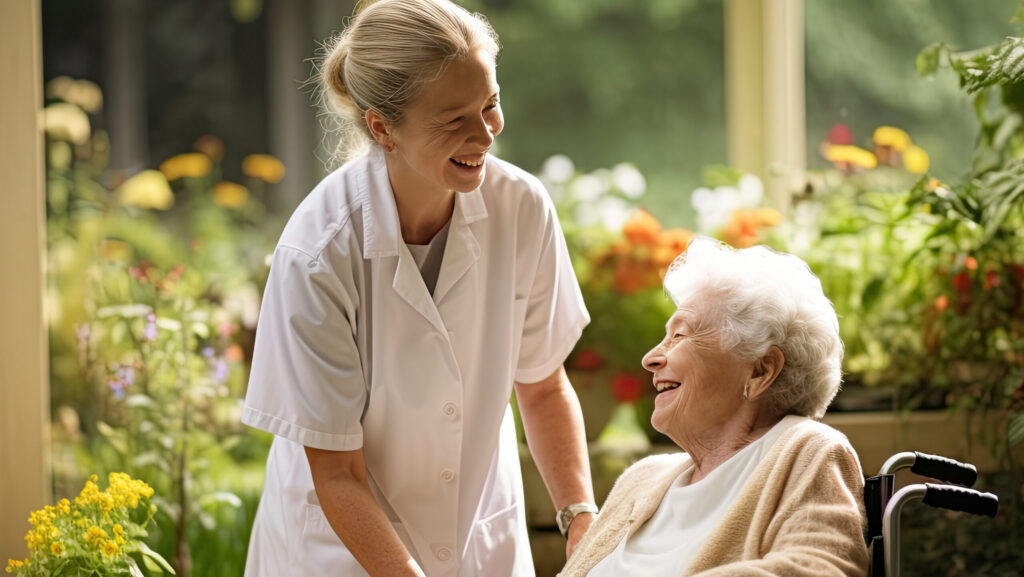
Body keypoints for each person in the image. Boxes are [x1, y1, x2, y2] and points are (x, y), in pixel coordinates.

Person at [240, 1, 596, 575]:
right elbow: (338, 474)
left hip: (479, 538)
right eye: (454, 120)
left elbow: (542, 385)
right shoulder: (318, 254)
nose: (484, 134)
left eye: (490, 104)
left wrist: (581, 520)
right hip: (344, 550)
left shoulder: (522, 208)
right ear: (382, 127)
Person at [561, 237, 869, 577]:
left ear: (760, 371)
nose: (650, 359)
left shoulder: (806, 451)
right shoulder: (642, 478)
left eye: (680, 336)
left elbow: (818, 569)